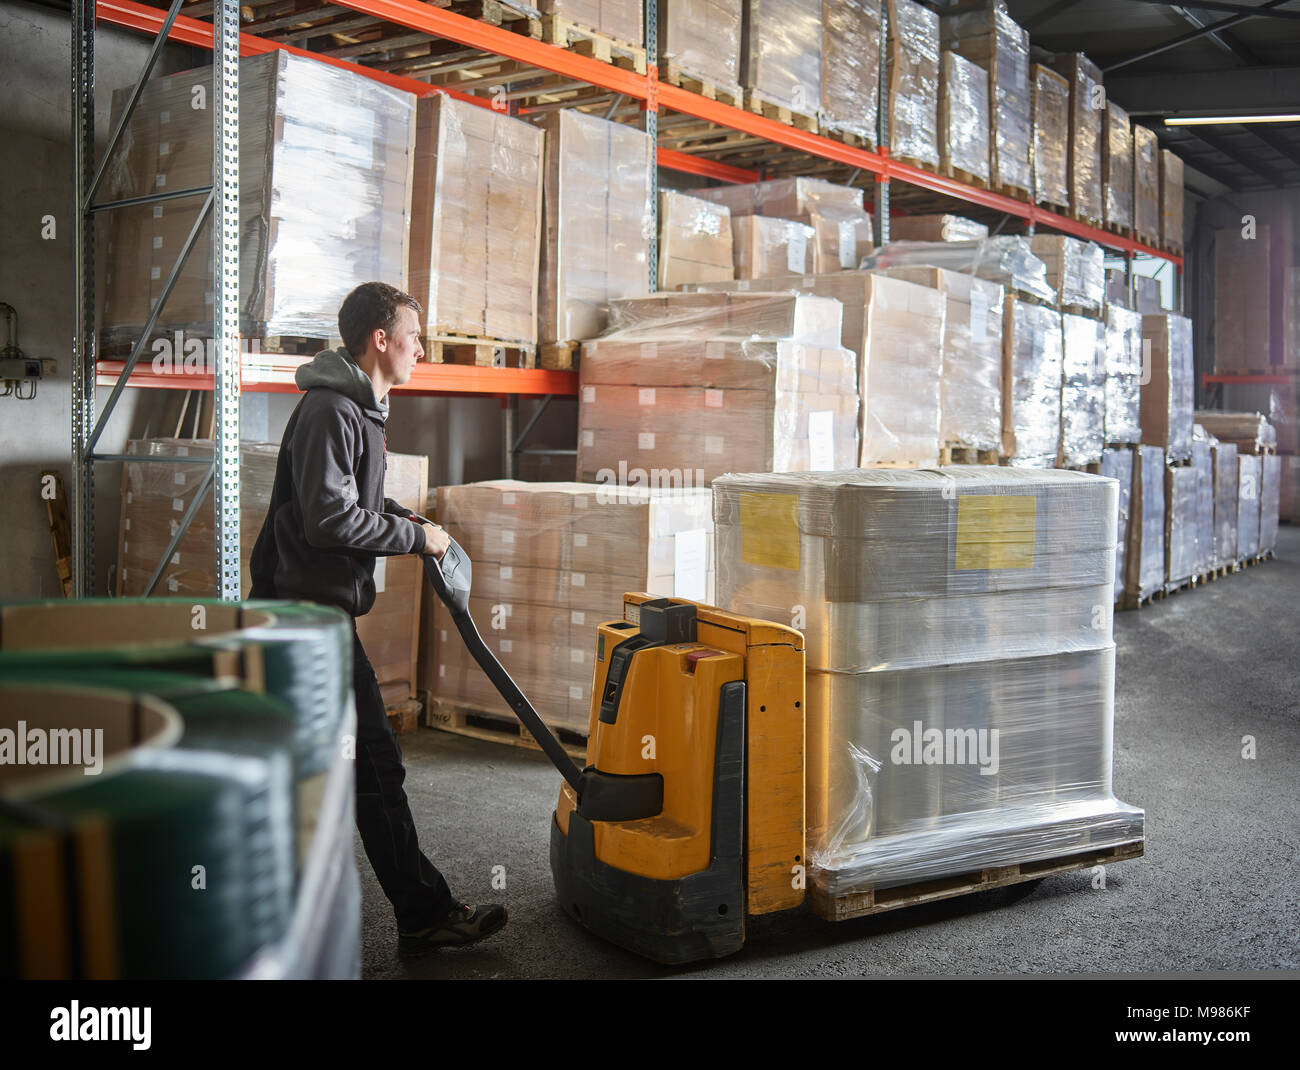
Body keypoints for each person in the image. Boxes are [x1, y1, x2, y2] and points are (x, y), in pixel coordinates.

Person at [250, 281, 507, 954]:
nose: (421, 348)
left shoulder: (358, 409)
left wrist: (405, 518)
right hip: (307, 616)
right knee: (374, 763)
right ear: (380, 340)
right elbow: (329, 517)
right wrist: (418, 540)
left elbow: (351, 500)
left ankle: (329, 913)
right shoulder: (334, 410)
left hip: (318, 612)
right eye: (413, 336)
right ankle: (421, 914)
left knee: (339, 766)